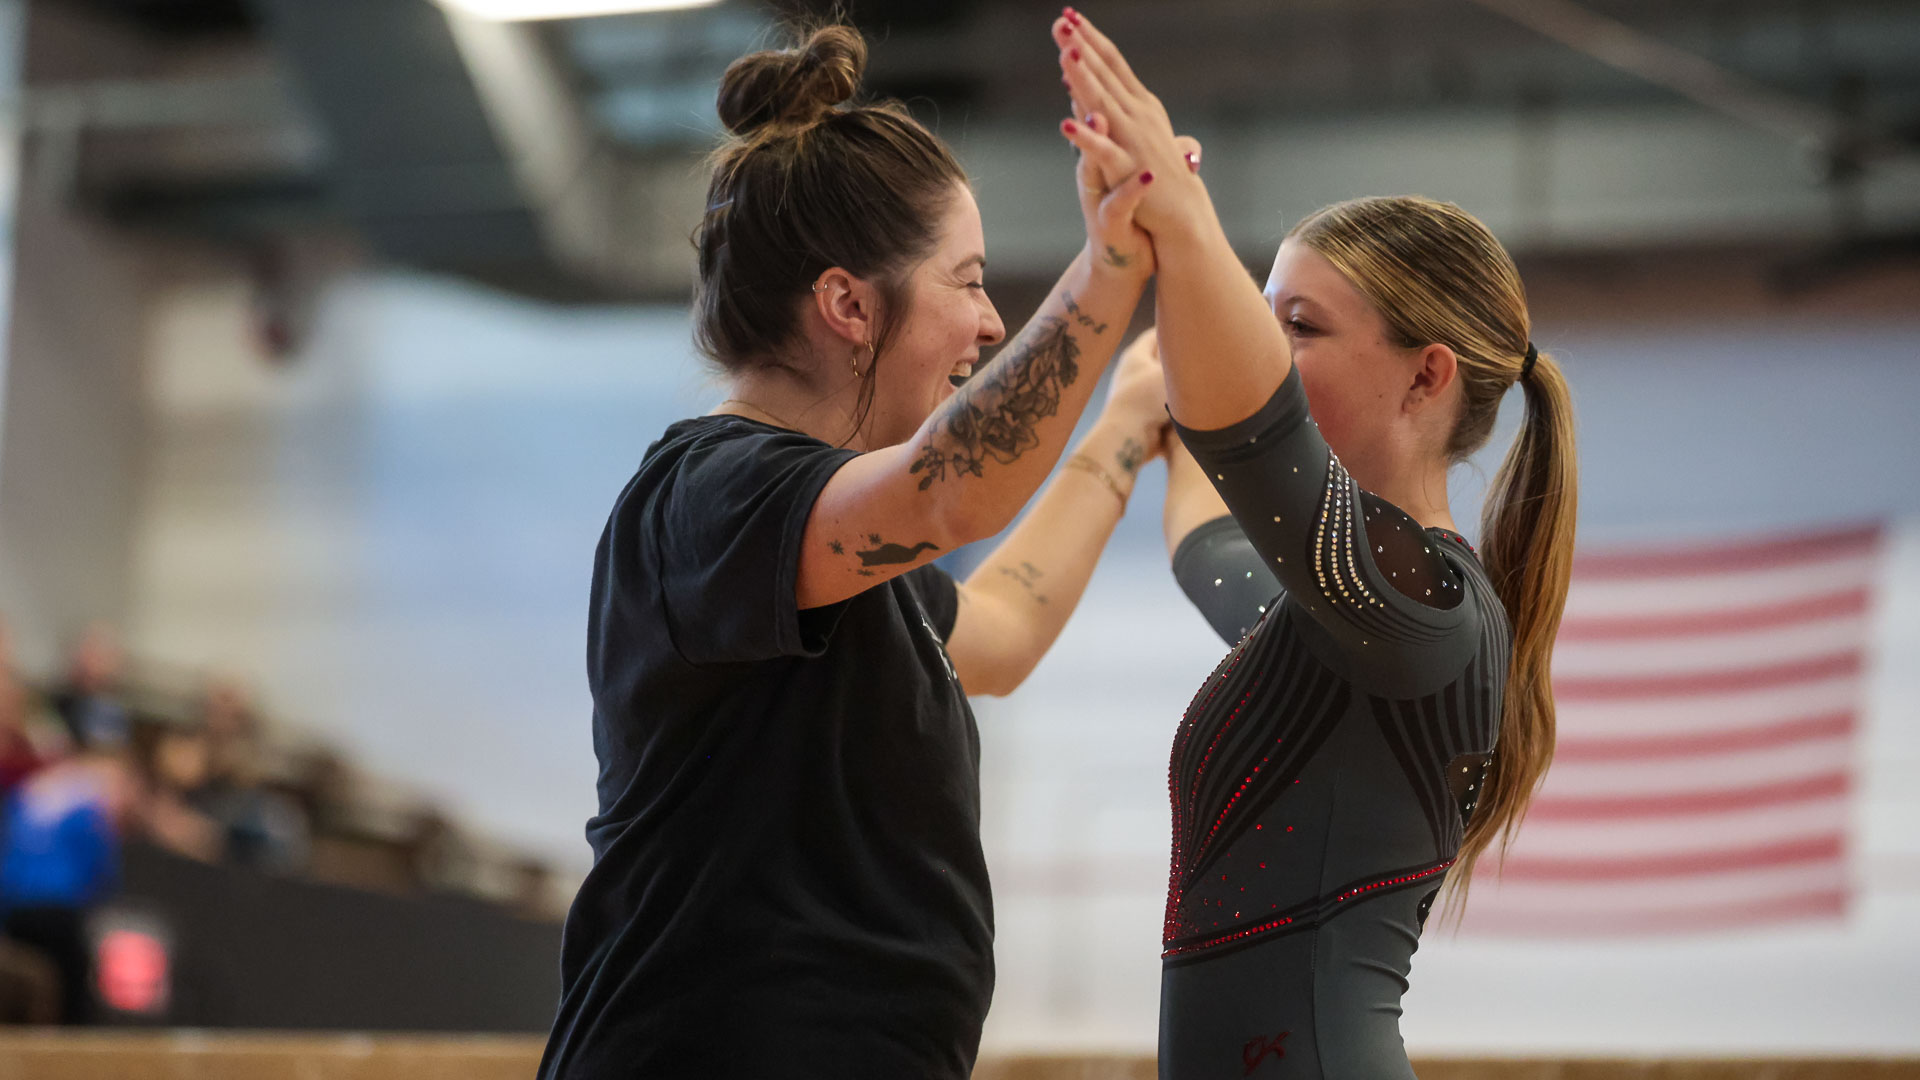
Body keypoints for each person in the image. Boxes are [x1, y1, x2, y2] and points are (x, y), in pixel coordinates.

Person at [540, 22, 1183, 1080]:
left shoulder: (843, 549)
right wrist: (1112, 264)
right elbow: (955, 489)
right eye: (966, 282)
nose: (990, 322)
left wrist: (1124, 429)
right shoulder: (711, 495)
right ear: (847, 305)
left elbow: (1004, 632)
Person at [1051, 10, 1578, 1078]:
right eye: (1264, 317)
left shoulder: (1425, 602)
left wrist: (1177, 221)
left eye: (1300, 325)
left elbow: (1251, 438)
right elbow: (1216, 549)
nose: (1267, 347)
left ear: (1426, 375)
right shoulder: (1353, 609)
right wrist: (1152, 406)